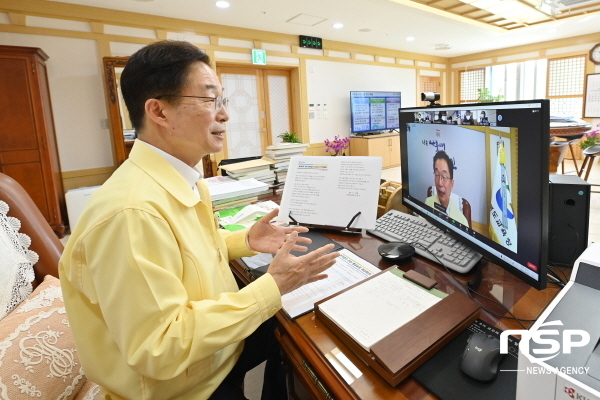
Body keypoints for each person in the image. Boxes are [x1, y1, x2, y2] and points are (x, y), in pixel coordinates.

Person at [59, 40, 340, 400]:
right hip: (183, 387)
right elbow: (159, 348)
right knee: (305, 342)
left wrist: (245, 241)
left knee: (297, 330)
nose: (224, 115)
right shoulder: (129, 214)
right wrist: (273, 285)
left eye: (222, 100)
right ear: (159, 112)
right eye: (210, 100)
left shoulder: (186, 179)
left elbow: (181, 251)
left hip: (211, 353)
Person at [425, 151, 469, 226]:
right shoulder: (428, 202)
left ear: (452, 184)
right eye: (437, 175)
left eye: (444, 177)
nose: (439, 183)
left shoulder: (462, 221)